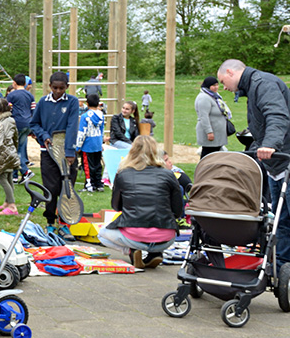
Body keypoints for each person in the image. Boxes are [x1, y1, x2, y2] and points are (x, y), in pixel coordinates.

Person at [218, 59, 290, 293]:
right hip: (279, 162)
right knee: (282, 220)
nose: (224, 87)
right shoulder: (254, 85)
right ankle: (280, 265)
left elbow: (277, 115)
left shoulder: (262, 83)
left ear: (231, 72)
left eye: (223, 81)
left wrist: (270, 144)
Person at [97, 135, 182, 269]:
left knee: (102, 235)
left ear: (132, 151)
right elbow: (178, 211)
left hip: (134, 234)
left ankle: (131, 250)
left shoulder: (123, 174)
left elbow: (116, 206)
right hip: (166, 236)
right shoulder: (168, 174)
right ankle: (154, 253)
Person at [29, 71, 80, 238]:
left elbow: (72, 126)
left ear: (67, 87)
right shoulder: (43, 102)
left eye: (61, 88)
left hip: (67, 152)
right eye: (55, 88)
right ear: (50, 86)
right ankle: (50, 222)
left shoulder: (72, 102)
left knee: (67, 188)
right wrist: (44, 136)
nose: (58, 91)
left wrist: (70, 151)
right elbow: (34, 124)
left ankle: (65, 224)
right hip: (48, 152)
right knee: (50, 188)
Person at [5, 74, 35, 182]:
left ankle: (25, 171)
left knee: (13, 150)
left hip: (16, 123)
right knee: (20, 149)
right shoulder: (30, 95)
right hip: (28, 123)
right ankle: (15, 176)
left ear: (14, 83)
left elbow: (7, 109)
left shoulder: (12, 95)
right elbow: (33, 110)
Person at [76, 93, 105, 192]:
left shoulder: (85, 116)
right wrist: (101, 142)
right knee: (97, 164)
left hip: (88, 144)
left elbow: (82, 132)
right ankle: (98, 183)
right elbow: (102, 130)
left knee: (87, 165)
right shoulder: (101, 115)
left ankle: (89, 184)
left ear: (87, 103)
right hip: (97, 143)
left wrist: (78, 146)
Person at [195, 76, 231, 157]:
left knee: (216, 154)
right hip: (211, 132)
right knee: (208, 154)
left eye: (217, 85)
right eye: (213, 85)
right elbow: (203, 116)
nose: (216, 87)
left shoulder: (214, 96)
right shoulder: (204, 97)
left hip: (217, 132)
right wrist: (209, 132)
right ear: (208, 86)